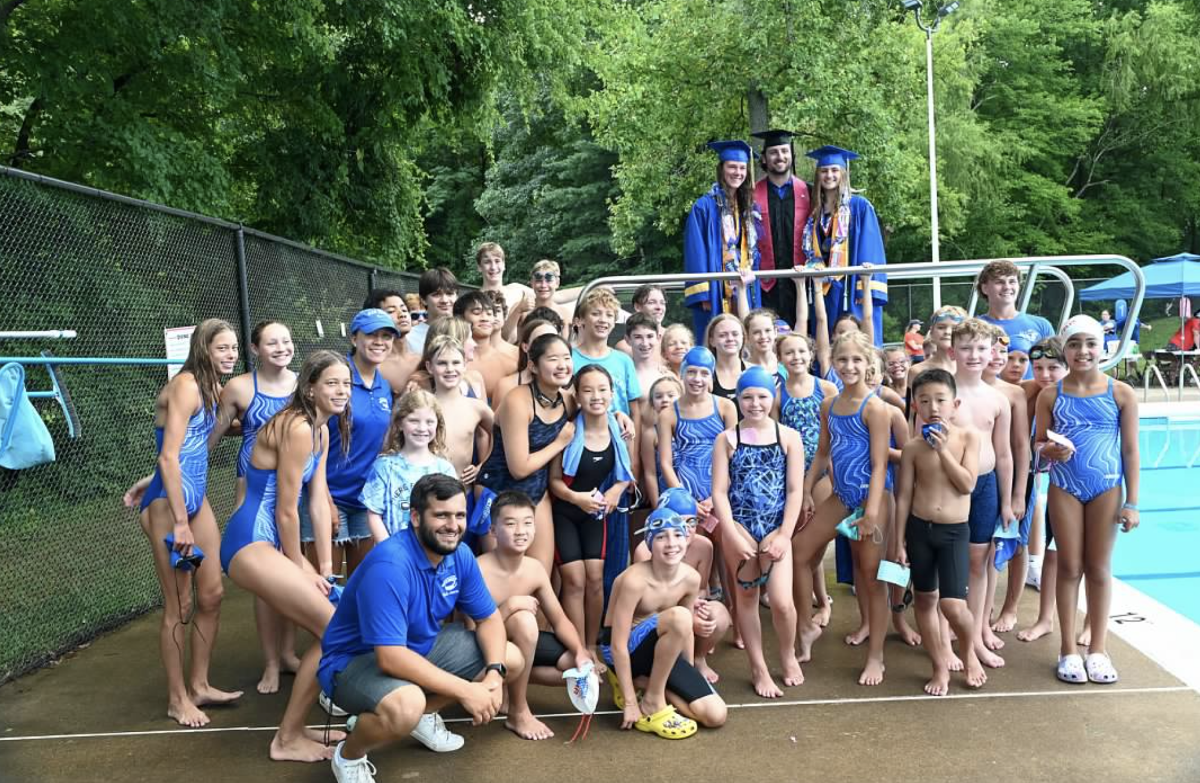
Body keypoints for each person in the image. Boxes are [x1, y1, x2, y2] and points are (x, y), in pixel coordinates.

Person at [319, 474, 524, 782]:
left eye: (459, 515)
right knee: (407, 705)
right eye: (441, 515)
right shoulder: (390, 566)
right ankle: (349, 756)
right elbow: (390, 657)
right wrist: (467, 691)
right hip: (353, 663)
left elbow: (489, 619)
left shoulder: (460, 555)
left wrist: (494, 675)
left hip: (417, 647)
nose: (453, 525)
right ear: (415, 517)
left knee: (510, 658)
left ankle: (423, 715)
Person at [220, 351, 349, 761]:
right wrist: (298, 565)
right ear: (309, 388)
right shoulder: (296, 427)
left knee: (335, 622)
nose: (342, 391)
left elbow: (318, 503)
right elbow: (286, 511)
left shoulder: (320, 430)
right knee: (333, 627)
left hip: (272, 542)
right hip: (250, 541)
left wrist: (324, 568)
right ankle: (286, 739)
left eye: (346, 383)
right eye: (332, 383)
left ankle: (297, 728)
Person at [136, 318, 243, 727]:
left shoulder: (212, 387)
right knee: (179, 605)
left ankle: (199, 685)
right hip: (170, 508)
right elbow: (168, 456)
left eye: (234, 348)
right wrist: (181, 524)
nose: (231, 355)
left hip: (195, 502)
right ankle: (177, 699)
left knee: (212, 594)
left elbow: (200, 439)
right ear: (203, 348)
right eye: (222, 348)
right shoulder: (184, 386)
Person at [1034, 315, 1140, 685]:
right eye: (1075, 344)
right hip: (1065, 487)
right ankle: (1067, 650)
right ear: (1064, 349)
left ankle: (1098, 649)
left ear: (1102, 348)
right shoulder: (1051, 395)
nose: (1083, 351)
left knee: (1098, 568)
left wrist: (1133, 502)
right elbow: (1038, 445)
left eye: (1090, 343)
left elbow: (1130, 450)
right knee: (1068, 567)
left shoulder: (1120, 393)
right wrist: (1047, 450)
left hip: (1106, 488)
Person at [793, 331, 892, 686]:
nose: (849, 366)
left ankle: (876, 656)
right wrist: (807, 489)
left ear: (868, 364)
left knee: (871, 575)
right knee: (799, 551)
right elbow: (823, 452)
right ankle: (806, 627)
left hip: (872, 499)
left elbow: (879, 465)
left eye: (856, 360)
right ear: (832, 362)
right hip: (841, 495)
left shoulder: (875, 408)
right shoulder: (829, 405)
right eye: (842, 359)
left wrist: (872, 513)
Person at [212, 320, 300, 695]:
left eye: (286, 341)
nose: (281, 348)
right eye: (272, 342)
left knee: (293, 572)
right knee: (265, 581)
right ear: (255, 349)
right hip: (254, 489)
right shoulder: (240, 387)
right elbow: (210, 436)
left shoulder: (303, 385)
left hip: (295, 489)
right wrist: (165, 474)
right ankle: (270, 663)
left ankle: (289, 653)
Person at [711, 367, 805, 697]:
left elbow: (794, 490)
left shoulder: (788, 437)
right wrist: (731, 534)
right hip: (740, 525)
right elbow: (719, 492)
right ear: (737, 399)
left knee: (781, 602)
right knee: (747, 599)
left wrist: (784, 535)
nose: (754, 404)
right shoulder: (727, 439)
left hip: (776, 527)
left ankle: (787, 654)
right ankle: (758, 667)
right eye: (747, 397)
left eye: (762, 396)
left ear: (773, 396)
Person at [894, 369, 987, 695]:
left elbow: (967, 484)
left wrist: (943, 449)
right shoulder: (912, 448)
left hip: (953, 532)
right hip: (920, 530)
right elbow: (904, 496)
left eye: (940, 400)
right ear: (915, 406)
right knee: (924, 600)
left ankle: (969, 651)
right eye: (924, 401)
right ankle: (938, 667)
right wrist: (898, 542)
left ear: (954, 404)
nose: (932, 407)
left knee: (953, 606)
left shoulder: (969, 437)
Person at [476, 491, 594, 741]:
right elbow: (470, 631)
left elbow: (559, 620)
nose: (521, 531)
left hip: (520, 646)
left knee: (579, 669)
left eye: (528, 523)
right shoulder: (478, 569)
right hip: (484, 648)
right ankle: (519, 711)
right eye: (511, 523)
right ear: (493, 530)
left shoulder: (534, 568)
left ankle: (510, 687)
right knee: (524, 620)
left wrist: (581, 651)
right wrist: (510, 606)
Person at [602, 508, 727, 738]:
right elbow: (616, 644)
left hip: (662, 651)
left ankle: (646, 684)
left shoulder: (691, 578)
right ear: (650, 543)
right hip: (624, 649)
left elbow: (686, 633)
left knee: (715, 715)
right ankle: (651, 700)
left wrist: (687, 673)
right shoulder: (634, 581)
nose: (671, 543)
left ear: (686, 539)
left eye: (678, 535)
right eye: (661, 537)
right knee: (680, 616)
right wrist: (629, 702)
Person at [304, 309, 399, 579]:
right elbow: (311, 443)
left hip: (365, 501)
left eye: (386, 336)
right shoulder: (336, 377)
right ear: (355, 338)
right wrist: (325, 500)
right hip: (326, 496)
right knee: (325, 586)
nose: (379, 341)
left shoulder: (384, 385)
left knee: (363, 585)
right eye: (372, 335)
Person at [549, 365, 634, 655]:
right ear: (576, 394)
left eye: (602, 389)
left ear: (612, 393)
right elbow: (554, 482)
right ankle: (578, 651)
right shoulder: (568, 431)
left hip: (594, 513)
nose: (596, 396)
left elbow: (626, 474)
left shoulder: (618, 428)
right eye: (587, 390)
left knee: (595, 579)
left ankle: (591, 646)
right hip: (565, 512)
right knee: (575, 581)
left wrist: (616, 490)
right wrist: (577, 499)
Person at [948, 319, 1016, 669]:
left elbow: (1004, 454)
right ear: (952, 351)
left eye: (980, 348)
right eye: (966, 348)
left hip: (986, 485)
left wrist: (1007, 501)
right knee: (948, 562)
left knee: (978, 561)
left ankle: (974, 638)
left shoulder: (998, 400)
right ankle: (947, 635)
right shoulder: (942, 391)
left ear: (992, 353)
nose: (973, 355)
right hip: (947, 487)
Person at [478, 333, 576, 572]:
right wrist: (559, 443)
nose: (562, 365)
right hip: (498, 490)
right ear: (532, 365)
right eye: (553, 359)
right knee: (502, 574)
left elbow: (597, 411)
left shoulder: (568, 400)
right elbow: (519, 468)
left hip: (537, 491)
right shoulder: (517, 400)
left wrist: (619, 417)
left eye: (566, 358)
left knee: (540, 573)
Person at [773, 331, 839, 626]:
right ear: (780, 358)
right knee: (803, 546)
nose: (796, 357)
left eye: (801, 351)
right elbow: (776, 440)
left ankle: (822, 602)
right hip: (794, 477)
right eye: (789, 352)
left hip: (824, 473)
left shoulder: (826, 388)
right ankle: (815, 602)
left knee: (815, 545)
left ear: (811, 354)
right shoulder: (778, 394)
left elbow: (837, 434)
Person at [632, 488, 727, 682]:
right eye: (680, 522)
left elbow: (702, 589)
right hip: (654, 618)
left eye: (692, 521)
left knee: (719, 615)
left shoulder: (703, 547)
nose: (688, 528)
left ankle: (697, 658)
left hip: (685, 607)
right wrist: (689, 618)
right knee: (681, 620)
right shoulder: (645, 551)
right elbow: (647, 605)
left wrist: (696, 609)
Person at [799, 146, 887, 346]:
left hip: (851, 287)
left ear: (843, 174)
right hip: (826, 288)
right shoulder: (815, 212)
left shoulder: (859, 206)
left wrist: (863, 289)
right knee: (827, 339)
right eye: (824, 171)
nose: (829, 175)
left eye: (834, 170)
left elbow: (870, 249)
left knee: (857, 342)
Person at [1017, 337, 1070, 643]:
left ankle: (1090, 625)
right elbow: (1032, 444)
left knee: (1092, 560)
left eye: (1053, 367)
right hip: (1052, 483)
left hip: (1085, 485)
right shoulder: (1029, 393)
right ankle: (1044, 618)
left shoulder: (1078, 394)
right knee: (1050, 552)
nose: (1045, 374)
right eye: (1038, 367)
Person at [683, 139, 762, 338]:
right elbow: (695, 250)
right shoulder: (704, 207)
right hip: (716, 290)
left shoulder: (749, 207)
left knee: (746, 336)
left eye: (742, 168)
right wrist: (703, 293)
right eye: (732, 167)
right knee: (716, 337)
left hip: (744, 285)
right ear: (721, 169)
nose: (738, 172)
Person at [982, 330, 1031, 638]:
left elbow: (1021, 446)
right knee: (976, 550)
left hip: (1010, 479)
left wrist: (1018, 494)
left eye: (1004, 351)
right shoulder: (960, 386)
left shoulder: (1014, 394)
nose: (999, 358)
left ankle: (1004, 608)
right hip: (977, 478)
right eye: (994, 351)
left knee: (1010, 544)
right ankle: (978, 612)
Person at [361, 390, 458, 543]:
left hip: (434, 549)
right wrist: (390, 548)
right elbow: (374, 514)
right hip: (394, 548)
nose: (422, 428)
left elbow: (453, 513)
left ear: (437, 424)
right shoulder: (384, 466)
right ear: (400, 423)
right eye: (414, 421)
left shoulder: (445, 469)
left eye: (429, 422)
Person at [658, 347, 738, 531]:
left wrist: (717, 496)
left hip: (721, 488)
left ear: (712, 377)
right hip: (685, 490)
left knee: (723, 544)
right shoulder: (668, 414)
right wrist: (685, 500)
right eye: (691, 372)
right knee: (693, 543)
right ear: (682, 374)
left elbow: (733, 457)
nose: (697, 379)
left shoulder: (725, 407)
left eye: (704, 373)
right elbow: (665, 463)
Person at [751, 129, 812, 329]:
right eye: (773, 152)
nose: (780, 157)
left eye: (784, 151)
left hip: (801, 282)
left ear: (791, 156)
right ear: (764, 158)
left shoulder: (810, 192)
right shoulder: (751, 195)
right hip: (766, 285)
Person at [423, 336, 494, 489]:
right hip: (425, 492)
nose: (450, 369)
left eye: (456, 363)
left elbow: (504, 438)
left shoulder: (477, 408)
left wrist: (482, 466)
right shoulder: (421, 407)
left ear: (464, 365)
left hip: (463, 493)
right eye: (442, 363)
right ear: (429, 367)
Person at [571, 286, 643, 421]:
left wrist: (634, 435)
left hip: (619, 431)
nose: (603, 320)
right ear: (581, 320)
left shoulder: (624, 360)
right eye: (595, 314)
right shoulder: (569, 359)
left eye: (609, 315)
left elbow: (635, 411)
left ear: (614, 322)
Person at [975, 260, 1054, 378]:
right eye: (999, 282)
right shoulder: (974, 327)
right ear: (985, 288)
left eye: (1012, 281)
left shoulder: (1041, 325)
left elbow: (1055, 367)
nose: (1007, 287)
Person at [454, 290, 516, 402]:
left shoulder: (509, 365)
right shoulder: (447, 361)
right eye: (477, 313)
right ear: (460, 317)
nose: (485, 318)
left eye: (489, 313)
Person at [491, 318, 560, 411]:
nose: (548, 346)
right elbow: (497, 419)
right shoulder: (506, 386)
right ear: (525, 347)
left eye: (554, 340)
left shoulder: (563, 384)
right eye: (541, 340)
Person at [365, 289, 422, 393]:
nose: (402, 314)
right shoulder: (374, 368)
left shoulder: (422, 361)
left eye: (404, 310)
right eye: (391, 311)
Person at [639, 374, 683, 507]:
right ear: (652, 403)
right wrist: (657, 507)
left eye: (671, 395)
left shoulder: (691, 428)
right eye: (658, 397)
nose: (665, 400)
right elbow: (650, 473)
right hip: (668, 499)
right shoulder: (650, 434)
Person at [406, 268, 459, 353]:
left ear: (456, 297)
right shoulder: (410, 338)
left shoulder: (468, 332)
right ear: (423, 299)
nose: (444, 300)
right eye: (436, 295)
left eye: (449, 293)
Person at [706, 314, 747, 409]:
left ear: (743, 337)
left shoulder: (754, 372)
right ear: (712, 341)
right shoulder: (704, 376)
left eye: (735, 334)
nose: (730, 339)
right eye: (722, 335)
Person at [624, 312, 669, 398]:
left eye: (649, 336)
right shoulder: (623, 377)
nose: (645, 343)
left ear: (658, 338)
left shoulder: (667, 374)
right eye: (638, 337)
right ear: (628, 340)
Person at [616, 284, 668, 355]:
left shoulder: (675, 337)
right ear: (637, 307)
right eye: (651, 302)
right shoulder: (625, 346)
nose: (659, 307)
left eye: (662, 303)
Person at [743, 308, 781, 377]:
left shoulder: (785, 364)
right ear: (747, 336)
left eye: (767, 330)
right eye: (756, 332)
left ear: (775, 332)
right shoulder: (743, 370)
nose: (763, 336)